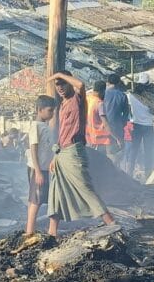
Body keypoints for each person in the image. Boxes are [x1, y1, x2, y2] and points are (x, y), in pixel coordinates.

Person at [46, 71, 115, 237]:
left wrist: (58, 74)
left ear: (70, 83)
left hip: (74, 152)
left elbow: (82, 85)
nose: (60, 87)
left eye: (63, 83)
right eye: (57, 85)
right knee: (55, 190)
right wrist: (55, 156)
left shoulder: (78, 99)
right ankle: (52, 232)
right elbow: (62, 132)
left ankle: (111, 223)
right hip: (62, 152)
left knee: (85, 188)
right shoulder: (62, 104)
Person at [26, 94, 56, 235]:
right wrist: (37, 171)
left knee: (39, 199)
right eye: (50, 110)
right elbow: (34, 148)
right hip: (37, 169)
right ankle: (29, 231)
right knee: (35, 200)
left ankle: (34, 230)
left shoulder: (45, 126)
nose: (52, 113)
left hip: (44, 168)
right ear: (40, 109)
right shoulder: (35, 126)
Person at [127, 74, 154, 176]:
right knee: (148, 150)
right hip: (148, 126)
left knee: (134, 150)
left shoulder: (131, 96)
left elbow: (129, 108)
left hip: (136, 125)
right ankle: (148, 175)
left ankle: (129, 173)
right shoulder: (150, 98)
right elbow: (153, 111)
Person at [102, 74, 129, 165]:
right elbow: (126, 115)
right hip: (117, 129)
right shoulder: (122, 96)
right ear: (118, 83)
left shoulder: (102, 94)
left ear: (108, 82)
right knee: (116, 155)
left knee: (102, 157)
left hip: (101, 129)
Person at [85, 80, 111, 154]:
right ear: (102, 91)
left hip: (88, 137)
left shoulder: (87, 98)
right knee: (100, 161)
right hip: (100, 140)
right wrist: (116, 137)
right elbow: (105, 123)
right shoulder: (99, 103)